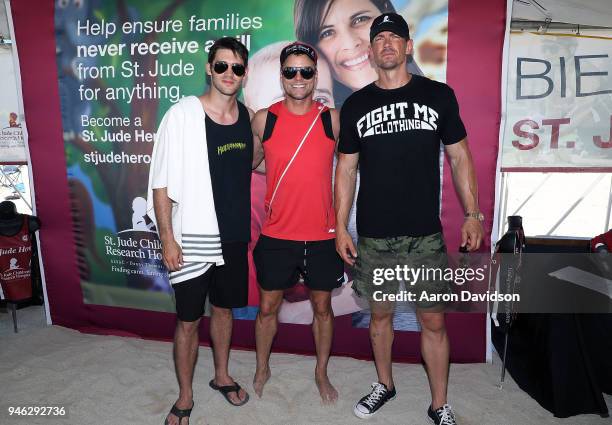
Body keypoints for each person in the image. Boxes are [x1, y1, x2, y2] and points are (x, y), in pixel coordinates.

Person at [335, 13, 483, 424]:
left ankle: (439, 405)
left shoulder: (438, 95)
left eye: (393, 38)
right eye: (378, 38)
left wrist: (473, 213)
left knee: (432, 320)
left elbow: (459, 156)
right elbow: (346, 170)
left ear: (407, 46)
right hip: (374, 236)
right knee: (379, 315)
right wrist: (338, 227)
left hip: (425, 236)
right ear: (370, 50)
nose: (385, 44)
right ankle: (386, 384)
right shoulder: (356, 105)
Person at [147, 37, 253, 425]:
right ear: (209, 69)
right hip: (190, 238)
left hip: (234, 234)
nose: (229, 73)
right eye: (221, 66)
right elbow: (160, 182)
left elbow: (255, 162)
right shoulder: (181, 115)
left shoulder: (246, 116)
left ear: (245, 74)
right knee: (188, 320)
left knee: (224, 310)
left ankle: (221, 376)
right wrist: (167, 239)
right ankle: (185, 395)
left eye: (237, 68)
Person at [251, 42, 344, 404]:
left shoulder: (331, 119)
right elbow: (256, 163)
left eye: (306, 71)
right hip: (277, 234)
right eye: (291, 71)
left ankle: (321, 372)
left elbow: (348, 170)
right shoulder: (264, 118)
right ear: (282, 76)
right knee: (266, 309)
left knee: (322, 309)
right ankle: (262, 367)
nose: (299, 78)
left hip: (322, 235)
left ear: (315, 75)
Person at [294, 0, 422, 105]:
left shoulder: (438, 99)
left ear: (386, 12)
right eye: (327, 33)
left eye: (360, 19)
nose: (350, 43)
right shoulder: (325, 130)